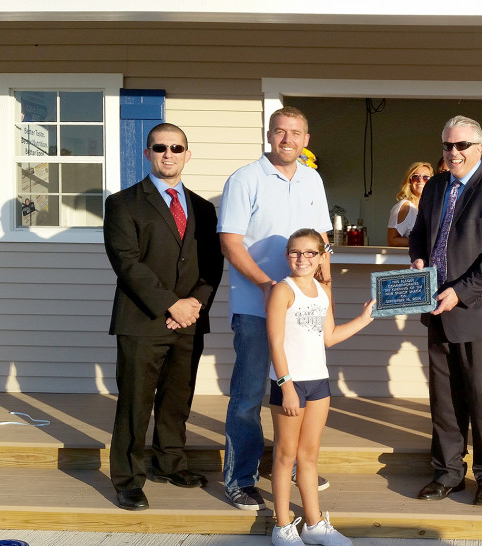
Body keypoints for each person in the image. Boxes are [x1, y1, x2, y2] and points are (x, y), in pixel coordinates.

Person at [218, 106, 334, 512]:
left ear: (306, 139)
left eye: (296, 133)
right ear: (270, 135)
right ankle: (241, 478)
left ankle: (300, 465)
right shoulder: (245, 179)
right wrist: (267, 285)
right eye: (281, 132)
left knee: (301, 388)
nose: (288, 139)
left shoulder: (312, 179)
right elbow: (230, 242)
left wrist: (326, 289)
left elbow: (321, 241)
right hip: (257, 305)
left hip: (304, 311)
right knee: (249, 394)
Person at [103, 123, 223, 511]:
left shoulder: (203, 209)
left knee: (177, 399)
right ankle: (128, 479)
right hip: (143, 320)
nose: (168, 153)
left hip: (189, 321)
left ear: (187, 154)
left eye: (176, 147)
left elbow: (213, 265)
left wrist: (194, 306)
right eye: (160, 147)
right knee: (135, 403)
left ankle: (169, 463)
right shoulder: (123, 204)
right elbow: (127, 263)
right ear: (148, 154)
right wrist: (172, 304)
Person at [408, 115, 482, 507]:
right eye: (447, 146)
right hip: (435, 308)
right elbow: (421, 234)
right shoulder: (436, 187)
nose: (453, 153)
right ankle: (448, 473)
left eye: (461, 146)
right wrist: (419, 260)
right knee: (444, 399)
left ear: (479, 148)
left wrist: (460, 292)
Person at [268, 229, 374, 546]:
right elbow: (274, 342)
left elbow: (329, 337)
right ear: (287, 256)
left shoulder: (323, 290)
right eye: (294, 252)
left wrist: (364, 319)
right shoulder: (282, 291)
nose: (302, 258)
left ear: (320, 256)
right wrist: (286, 386)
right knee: (285, 456)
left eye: (309, 253)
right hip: (289, 384)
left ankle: (313, 525)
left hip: (318, 384)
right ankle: (283, 526)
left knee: (309, 456)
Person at [387, 161, 432, 247]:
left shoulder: (431, 207)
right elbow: (392, 240)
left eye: (426, 177)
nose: (420, 180)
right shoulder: (405, 207)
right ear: (410, 181)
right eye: (415, 177)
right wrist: (422, 242)